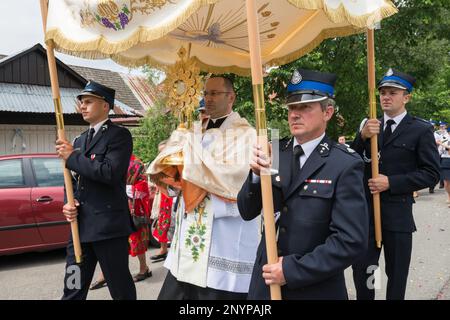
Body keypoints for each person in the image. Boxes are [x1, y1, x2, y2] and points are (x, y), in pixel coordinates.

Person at [237, 69, 369, 300]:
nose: (295, 115)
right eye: (291, 108)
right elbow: (247, 211)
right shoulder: (275, 151)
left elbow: (351, 242)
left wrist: (290, 270)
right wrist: (256, 176)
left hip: (315, 288)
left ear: (327, 112)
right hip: (266, 285)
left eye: (305, 107)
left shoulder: (345, 164)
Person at [149, 76, 260, 300]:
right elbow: (177, 181)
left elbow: (235, 179)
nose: (208, 99)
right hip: (188, 237)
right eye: (206, 93)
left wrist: (192, 165)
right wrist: (172, 168)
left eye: (214, 93)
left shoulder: (246, 135)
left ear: (231, 97)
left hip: (223, 238)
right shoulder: (191, 132)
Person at [351, 68, 440, 300]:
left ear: (406, 97)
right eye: (382, 92)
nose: (386, 97)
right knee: (367, 272)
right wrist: (361, 137)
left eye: (392, 92)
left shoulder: (420, 130)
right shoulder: (370, 126)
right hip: (368, 216)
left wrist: (391, 182)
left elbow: (431, 174)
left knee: (396, 275)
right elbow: (350, 162)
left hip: (398, 216)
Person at [56, 80, 136, 300]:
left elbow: (109, 173)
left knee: (120, 288)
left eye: (89, 101)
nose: (82, 105)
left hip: (108, 228)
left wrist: (72, 157)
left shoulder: (119, 136)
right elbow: (70, 180)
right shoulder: (78, 140)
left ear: (105, 105)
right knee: (72, 285)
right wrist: (68, 202)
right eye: (81, 101)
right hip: (79, 229)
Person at [90, 154, 154, 289]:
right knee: (110, 242)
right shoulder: (105, 159)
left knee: (136, 238)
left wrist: (128, 190)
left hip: (132, 206)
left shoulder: (137, 163)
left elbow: (143, 184)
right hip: (110, 205)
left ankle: (144, 268)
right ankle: (104, 274)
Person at [150, 141, 173, 262]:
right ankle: (163, 249)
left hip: (172, 195)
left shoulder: (174, 162)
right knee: (163, 220)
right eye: (160, 151)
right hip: (164, 196)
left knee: (172, 222)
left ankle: (170, 249)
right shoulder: (159, 163)